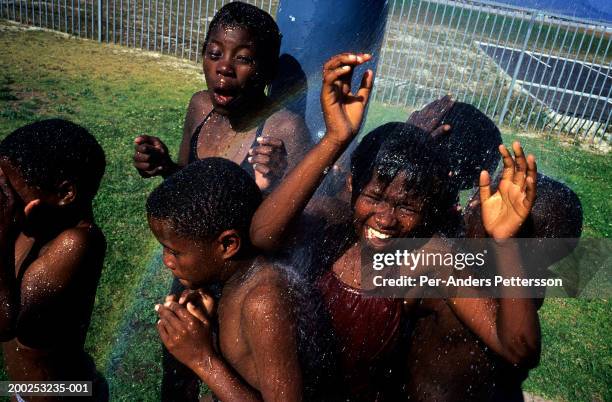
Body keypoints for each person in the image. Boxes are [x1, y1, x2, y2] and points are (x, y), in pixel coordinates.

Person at [250, 53, 541, 400]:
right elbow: (262, 236)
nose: (385, 219)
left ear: (429, 210)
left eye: (405, 207)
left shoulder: (428, 259)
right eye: (374, 197)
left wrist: (506, 243)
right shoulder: (333, 224)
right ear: (352, 186)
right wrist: (335, 138)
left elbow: (519, 349)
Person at [147, 158, 304, 401]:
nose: (167, 261)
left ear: (228, 245)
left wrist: (203, 359)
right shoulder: (232, 283)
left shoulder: (263, 302)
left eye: (174, 251)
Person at [133, 1, 312, 192]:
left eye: (242, 58)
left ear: (268, 70)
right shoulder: (200, 106)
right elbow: (187, 193)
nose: (224, 68)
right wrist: (166, 167)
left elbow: (295, 215)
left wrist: (272, 185)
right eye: (215, 53)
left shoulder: (285, 129)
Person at [0, 119, 107, 400]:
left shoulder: (77, 243)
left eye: (11, 190)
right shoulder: (31, 225)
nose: (6, 199)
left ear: (64, 194)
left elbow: (4, 323)